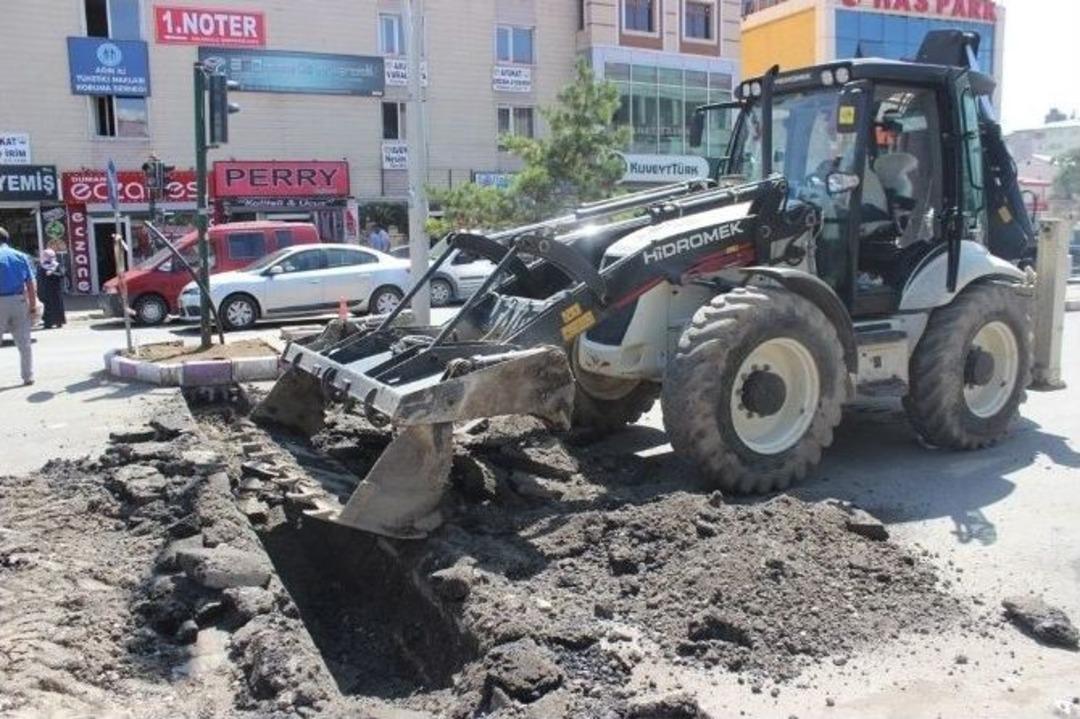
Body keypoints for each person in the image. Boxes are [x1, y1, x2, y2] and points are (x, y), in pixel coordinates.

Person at [0, 227, 38, 385]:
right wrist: (33, 306)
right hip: (19, 301)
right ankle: (28, 377)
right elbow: (30, 284)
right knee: (24, 343)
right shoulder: (21, 256)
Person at [36, 248, 66, 329]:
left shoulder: (57, 265)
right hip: (44, 290)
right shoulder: (41, 265)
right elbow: (38, 277)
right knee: (46, 307)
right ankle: (48, 323)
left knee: (57, 306)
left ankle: (58, 322)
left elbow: (62, 275)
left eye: (46, 256)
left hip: (55, 290)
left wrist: (52, 273)